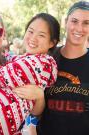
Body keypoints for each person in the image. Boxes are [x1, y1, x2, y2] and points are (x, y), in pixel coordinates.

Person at [36, 1, 89, 135]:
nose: (79, 28)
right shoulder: (46, 59)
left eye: (86, 23)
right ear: (66, 22)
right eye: (74, 21)